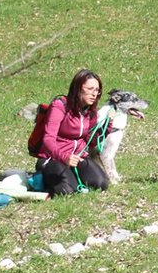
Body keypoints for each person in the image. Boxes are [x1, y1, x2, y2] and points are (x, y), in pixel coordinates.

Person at [32, 69, 109, 197]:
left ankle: (72, 175)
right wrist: (64, 157)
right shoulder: (60, 106)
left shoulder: (91, 112)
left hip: (78, 158)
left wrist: (106, 128)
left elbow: (91, 142)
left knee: (101, 183)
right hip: (53, 158)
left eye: (97, 90)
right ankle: (41, 177)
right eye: (90, 89)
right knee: (67, 192)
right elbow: (48, 140)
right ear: (78, 88)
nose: (94, 94)